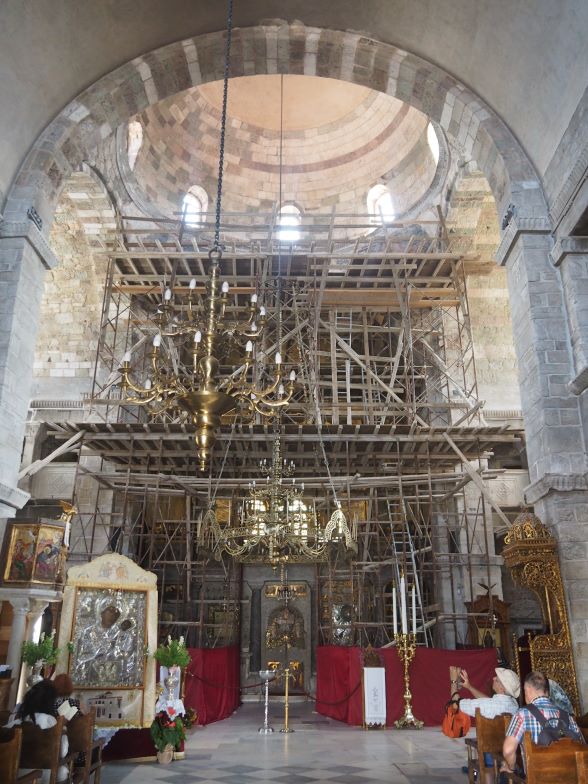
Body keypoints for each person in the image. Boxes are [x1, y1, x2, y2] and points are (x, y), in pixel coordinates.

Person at [501, 670, 584, 778]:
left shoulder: (522, 715)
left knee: (503, 775)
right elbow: (582, 746)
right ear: (547, 691)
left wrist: (511, 768)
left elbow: (508, 750)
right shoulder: (567, 716)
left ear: (528, 690)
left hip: (539, 778)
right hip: (571, 778)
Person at [457, 668, 520, 784]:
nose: (493, 678)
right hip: (510, 751)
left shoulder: (488, 705)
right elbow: (488, 702)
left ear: (501, 688)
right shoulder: (514, 704)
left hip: (490, 753)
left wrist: (452, 683)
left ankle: (485, 776)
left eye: (497, 679)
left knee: (486, 745)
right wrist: (469, 687)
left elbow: (457, 705)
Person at [6, 679, 69, 783]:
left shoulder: (14, 721)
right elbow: (63, 752)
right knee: (63, 771)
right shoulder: (51, 722)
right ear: (50, 702)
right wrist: (64, 729)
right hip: (45, 776)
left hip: (12, 774)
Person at [73, 603, 121, 685]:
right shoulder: (89, 632)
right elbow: (81, 655)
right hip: (89, 672)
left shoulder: (118, 634)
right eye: (109, 612)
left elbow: (119, 654)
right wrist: (96, 655)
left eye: (115, 615)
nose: (112, 616)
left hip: (110, 674)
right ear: (102, 613)